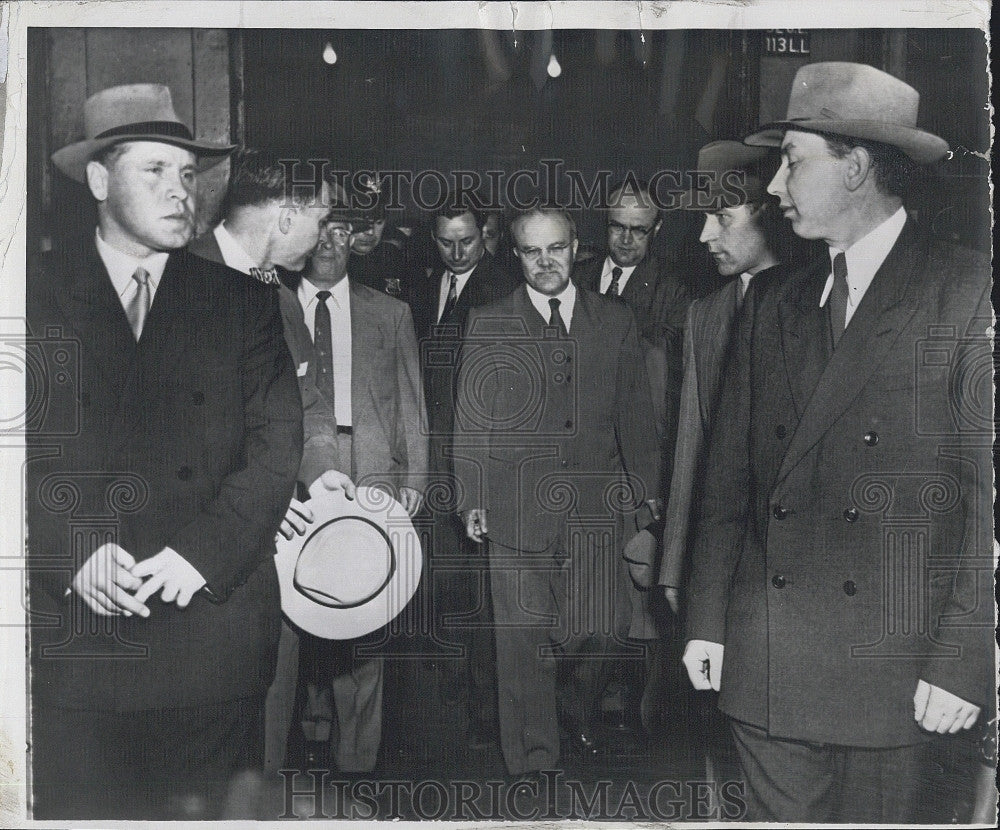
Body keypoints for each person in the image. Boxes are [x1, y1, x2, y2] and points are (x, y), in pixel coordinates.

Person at [683, 62, 994, 823]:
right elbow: (728, 480)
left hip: (899, 676)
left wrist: (963, 660)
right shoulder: (776, 299)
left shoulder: (967, 291)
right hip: (769, 664)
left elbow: (988, 502)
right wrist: (707, 618)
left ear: (854, 167)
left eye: (791, 163)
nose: (776, 189)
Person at [27, 84, 304, 819]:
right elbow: (14, 457)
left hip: (213, 642)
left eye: (187, 175)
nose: (180, 192)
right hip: (85, 652)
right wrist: (73, 550)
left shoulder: (243, 304)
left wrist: (197, 557)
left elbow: (278, 452)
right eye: (154, 171)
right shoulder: (30, 301)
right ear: (96, 180)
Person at [453, 206, 661, 783]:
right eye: (530, 251)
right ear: (515, 255)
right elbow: (471, 419)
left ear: (577, 247)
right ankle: (533, 764)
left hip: (598, 512)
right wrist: (471, 495)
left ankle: (573, 704)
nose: (546, 262)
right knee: (520, 648)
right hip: (514, 509)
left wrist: (649, 503)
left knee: (601, 629)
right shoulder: (490, 320)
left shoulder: (616, 320)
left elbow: (636, 421)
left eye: (557, 248)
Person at [273, 202, 428, 775]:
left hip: (372, 473)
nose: (332, 241)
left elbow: (412, 401)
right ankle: (309, 727)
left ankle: (357, 759)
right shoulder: (274, 306)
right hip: (298, 474)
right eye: (324, 228)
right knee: (305, 602)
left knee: (366, 614)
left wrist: (414, 479)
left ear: (357, 238)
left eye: (344, 230)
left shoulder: (389, 312)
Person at [409, 200, 519, 747]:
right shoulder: (421, 290)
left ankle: (485, 714)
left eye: (467, 243)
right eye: (446, 243)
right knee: (443, 588)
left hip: (478, 468)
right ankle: (451, 702)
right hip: (431, 468)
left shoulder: (505, 289)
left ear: (487, 236)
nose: (456, 254)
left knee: (480, 597)